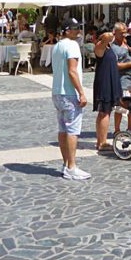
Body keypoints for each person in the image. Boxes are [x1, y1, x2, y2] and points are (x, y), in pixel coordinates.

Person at [51, 18, 90, 180]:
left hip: (57, 92)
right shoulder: (72, 45)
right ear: (67, 30)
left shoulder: (57, 46)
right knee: (73, 130)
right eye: (75, 29)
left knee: (62, 129)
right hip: (69, 92)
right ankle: (72, 167)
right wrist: (81, 92)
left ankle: (66, 163)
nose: (78, 31)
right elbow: (72, 71)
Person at [93, 26, 125, 151]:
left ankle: (101, 141)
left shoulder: (108, 47)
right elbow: (107, 37)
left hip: (110, 80)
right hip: (105, 81)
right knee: (104, 111)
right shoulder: (100, 46)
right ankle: (102, 142)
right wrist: (110, 33)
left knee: (106, 111)